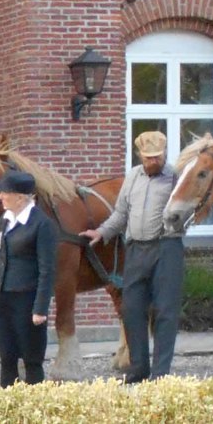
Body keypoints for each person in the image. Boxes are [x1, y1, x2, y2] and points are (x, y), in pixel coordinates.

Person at [80, 130, 185, 383]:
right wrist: (102, 232)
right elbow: (120, 214)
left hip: (166, 247)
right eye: (148, 157)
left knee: (165, 310)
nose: (152, 161)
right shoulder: (133, 177)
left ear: (164, 154)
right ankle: (138, 367)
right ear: (139, 155)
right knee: (131, 308)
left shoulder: (176, 179)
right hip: (136, 249)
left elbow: (188, 210)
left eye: (157, 157)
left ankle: (161, 372)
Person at [0, 171, 57, 388]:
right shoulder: (5, 220)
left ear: (20, 197)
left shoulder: (42, 224)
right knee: (7, 356)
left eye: (5, 192)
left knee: (31, 357)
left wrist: (40, 308)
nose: (0, 197)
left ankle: (34, 402)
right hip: (3, 297)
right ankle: (7, 401)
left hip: (27, 298)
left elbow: (47, 270)